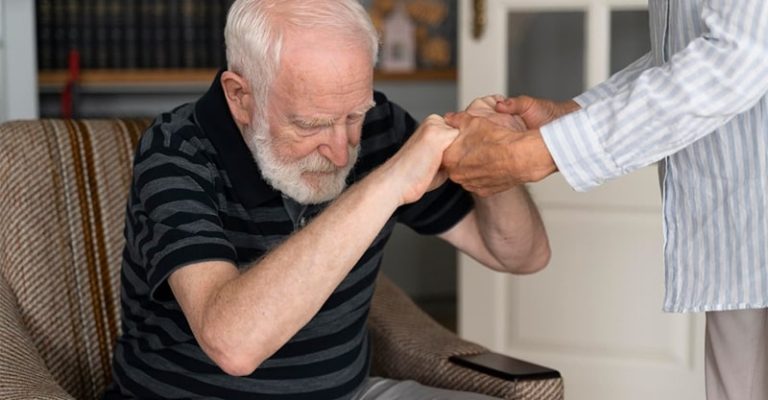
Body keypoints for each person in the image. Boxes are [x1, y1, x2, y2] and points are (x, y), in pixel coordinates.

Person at [102, 0, 550, 399]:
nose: (341, 150)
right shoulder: (175, 151)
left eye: (356, 114)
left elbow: (520, 255)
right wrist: (389, 183)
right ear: (240, 96)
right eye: (311, 125)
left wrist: (495, 160)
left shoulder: (380, 126)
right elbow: (233, 345)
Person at [442, 2, 768, 400]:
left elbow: (742, 54)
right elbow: (692, 49)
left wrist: (542, 152)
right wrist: (574, 114)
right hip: (742, 229)